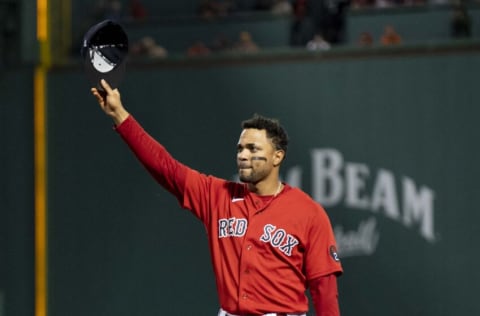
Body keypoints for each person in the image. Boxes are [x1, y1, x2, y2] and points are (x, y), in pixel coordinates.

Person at [90, 79, 343, 316]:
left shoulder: (309, 212)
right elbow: (165, 167)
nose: (243, 155)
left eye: (253, 149)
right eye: (240, 149)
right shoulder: (217, 196)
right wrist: (119, 115)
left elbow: (325, 291)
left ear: (278, 156)